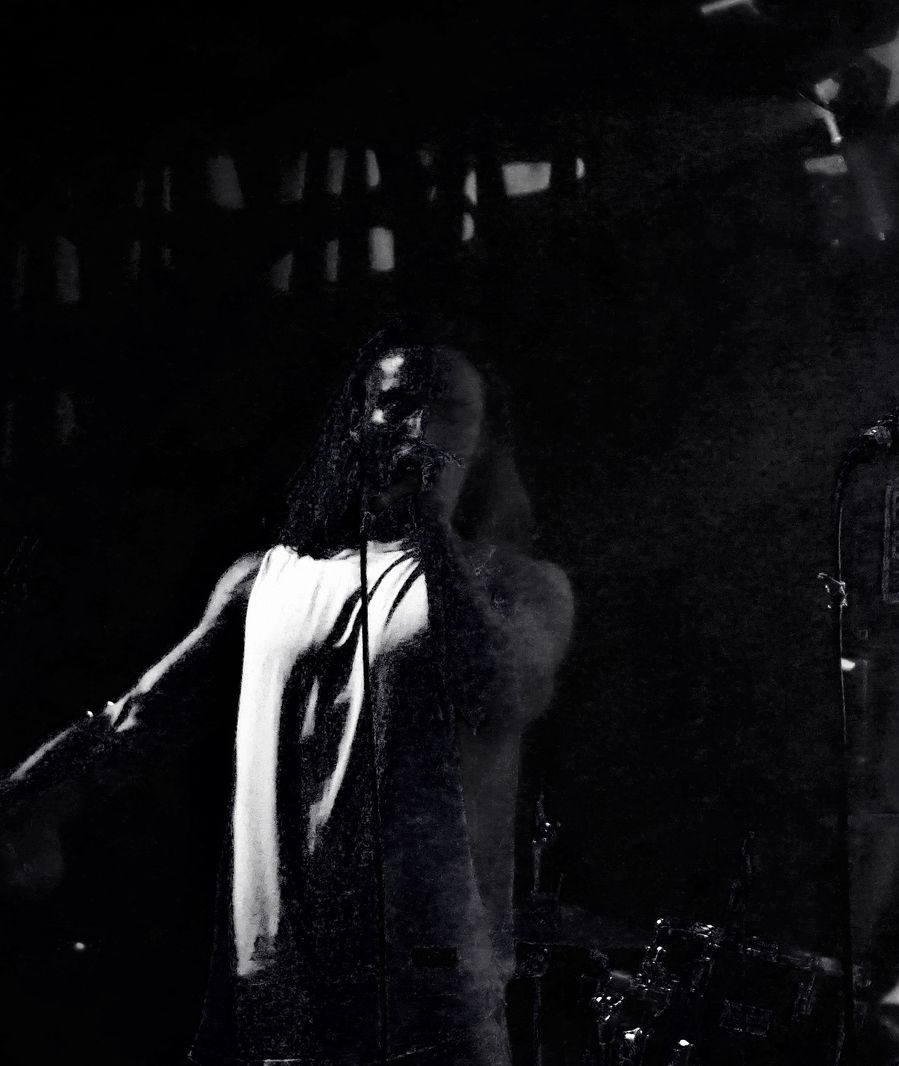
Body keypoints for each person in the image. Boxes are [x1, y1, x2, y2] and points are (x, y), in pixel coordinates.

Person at [0, 322, 575, 1066]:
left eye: (448, 410)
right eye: (399, 402)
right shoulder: (266, 578)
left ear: (483, 441)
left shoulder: (521, 587)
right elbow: (137, 719)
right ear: (358, 422)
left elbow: (501, 694)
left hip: (433, 1002)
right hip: (281, 996)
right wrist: (27, 797)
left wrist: (431, 528)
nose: (420, 427)